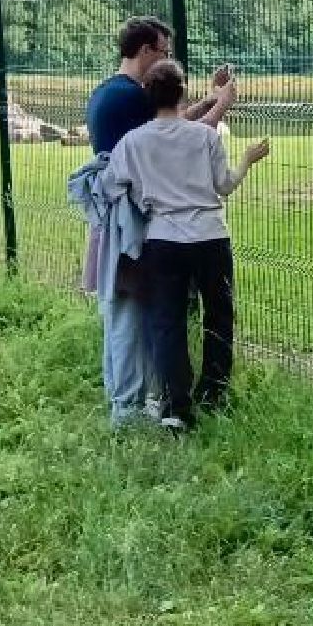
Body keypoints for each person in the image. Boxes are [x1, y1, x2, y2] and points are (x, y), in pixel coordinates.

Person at [75, 16, 234, 427]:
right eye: (164, 51)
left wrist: (207, 103)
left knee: (135, 316)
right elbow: (175, 142)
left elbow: (170, 127)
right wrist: (219, 106)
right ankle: (129, 406)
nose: (165, 57)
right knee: (132, 317)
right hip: (136, 227)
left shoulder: (112, 92)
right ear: (145, 51)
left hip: (130, 223)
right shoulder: (130, 100)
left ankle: (145, 401)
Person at [102, 60, 272, 432]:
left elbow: (112, 184)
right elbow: (224, 186)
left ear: (148, 96)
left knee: (168, 323)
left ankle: (176, 407)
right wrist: (247, 160)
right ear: (182, 93)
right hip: (211, 236)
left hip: (162, 239)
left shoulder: (133, 142)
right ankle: (213, 393)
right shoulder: (205, 137)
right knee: (218, 316)